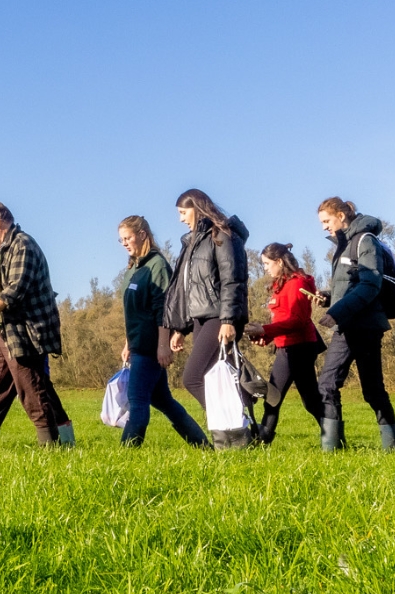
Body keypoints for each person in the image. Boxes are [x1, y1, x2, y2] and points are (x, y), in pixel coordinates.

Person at [0, 200, 74, 449]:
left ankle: (54, 450)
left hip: (23, 334)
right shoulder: (0, 251)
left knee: (33, 393)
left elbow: (14, 292)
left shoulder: (23, 245)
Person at [162, 188, 251, 449]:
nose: (180, 218)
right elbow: (187, 289)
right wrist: (181, 327)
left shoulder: (221, 234)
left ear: (197, 208)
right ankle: (235, 434)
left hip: (219, 316)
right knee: (212, 378)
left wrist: (228, 320)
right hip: (201, 318)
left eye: (183, 212)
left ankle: (234, 425)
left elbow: (231, 279)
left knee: (193, 377)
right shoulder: (191, 242)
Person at [314, 196, 395, 452]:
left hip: (360, 325)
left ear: (341, 216)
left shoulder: (365, 241)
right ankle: (390, 450)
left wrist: (337, 312)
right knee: (368, 390)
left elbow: (370, 284)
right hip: (356, 323)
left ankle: (333, 451)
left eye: (326, 221)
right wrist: (329, 297)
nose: (324, 227)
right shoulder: (345, 244)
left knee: (332, 385)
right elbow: (350, 285)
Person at [115, 215, 206, 448]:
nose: (124, 243)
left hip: (150, 347)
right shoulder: (135, 268)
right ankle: (203, 446)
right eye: (121, 240)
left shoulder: (157, 265)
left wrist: (163, 345)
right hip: (137, 345)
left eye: (128, 237)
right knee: (164, 401)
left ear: (142, 234)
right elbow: (133, 310)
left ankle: (126, 455)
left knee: (137, 401)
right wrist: (127, 343)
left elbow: (163, 309)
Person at [245, 242, 325, 446]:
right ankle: (333, 435)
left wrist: (265, 330)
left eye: (266, 263)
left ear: (279, 262)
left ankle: (262, 440)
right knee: (307, 399)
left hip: (299, 347)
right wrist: (268, 336)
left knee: (279, 397)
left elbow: (298, 321)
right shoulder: (281, 285)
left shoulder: (298, 283)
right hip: (287, 346)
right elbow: (282, 320)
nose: (265, 268)